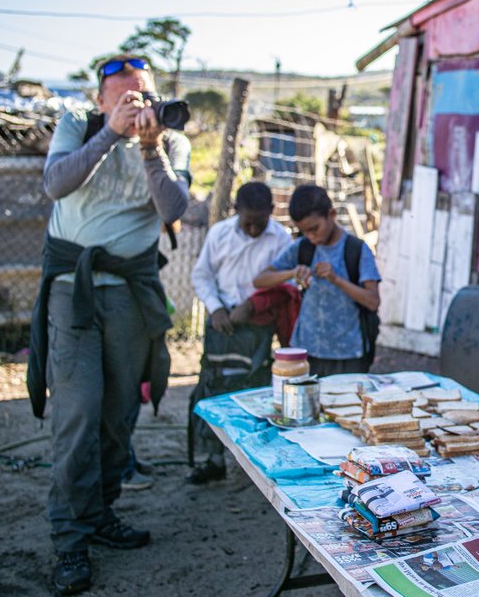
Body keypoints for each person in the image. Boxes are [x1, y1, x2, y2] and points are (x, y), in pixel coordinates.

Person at [27, 53, 190, 596]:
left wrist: (147, 147)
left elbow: (172, 207)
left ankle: (100, 514)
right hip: (72, 291)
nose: (132, 104)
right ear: (101, 101)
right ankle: (70, 540)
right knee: (77, 412)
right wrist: (109, 136)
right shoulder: (79, 125)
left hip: (130, 293)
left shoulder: (169, 139)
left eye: (140, 94)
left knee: (120, 411)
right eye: (121, 96)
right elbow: (55, 185)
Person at [188, 181, 291, 484]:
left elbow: (284, 287)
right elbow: (201, 275)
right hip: (221, 322)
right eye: (248, 222)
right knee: (214, 385)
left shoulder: (281, 240)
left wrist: (253, 306)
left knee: (254, 387)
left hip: (258, 326)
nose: (255, 229)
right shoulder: (220, 233)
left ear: (272, 212)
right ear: (235, 211)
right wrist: (215, 307)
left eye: (260, 223)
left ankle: (253, 461)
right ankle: (213, 458)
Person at [254, 184, 381, 376]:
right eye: (304, 231)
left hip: (348, 354)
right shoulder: (302, 247)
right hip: (305, 351)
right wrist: (292, 273)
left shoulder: (356, 250)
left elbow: (373, 301)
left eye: (314, 229)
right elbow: (260, 280)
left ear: (331, 215)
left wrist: (336, 279)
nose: (311, 237)